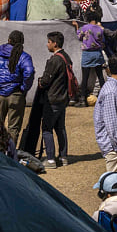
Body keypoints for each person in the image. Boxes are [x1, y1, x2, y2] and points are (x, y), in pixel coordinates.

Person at [0, 30, 35, 146]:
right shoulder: (24, 56)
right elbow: (29, 72)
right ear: (22, 42)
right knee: (13, 128)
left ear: (8, 40)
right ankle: (10, 154)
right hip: (16, 95)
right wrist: (23, 88)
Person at [27, 31, 74, 168]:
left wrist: (40, 81)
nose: (47, 44)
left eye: (48, 42)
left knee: (47, 128)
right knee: (60, 128)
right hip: (63, 99)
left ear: (55, 43)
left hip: (52, 99)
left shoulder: (55, 60)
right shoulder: (66, 57)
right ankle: (63, 157)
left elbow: (46, 81)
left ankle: (51, 159)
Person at [93, 59, 117, 177]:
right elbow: (111, 123)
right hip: (115, 149)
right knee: (115, 186)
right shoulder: (112, 91)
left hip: (116, 148)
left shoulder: (115, 88)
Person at [76, 17, 107, 105]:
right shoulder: (100, 29)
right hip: (97, 54)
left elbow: (79, 37)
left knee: (85, 77)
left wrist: (77, 28)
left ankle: (83, 100)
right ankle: (106, 96)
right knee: (100, 76)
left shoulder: (85, 27)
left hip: (87, 54)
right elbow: (101, 39)